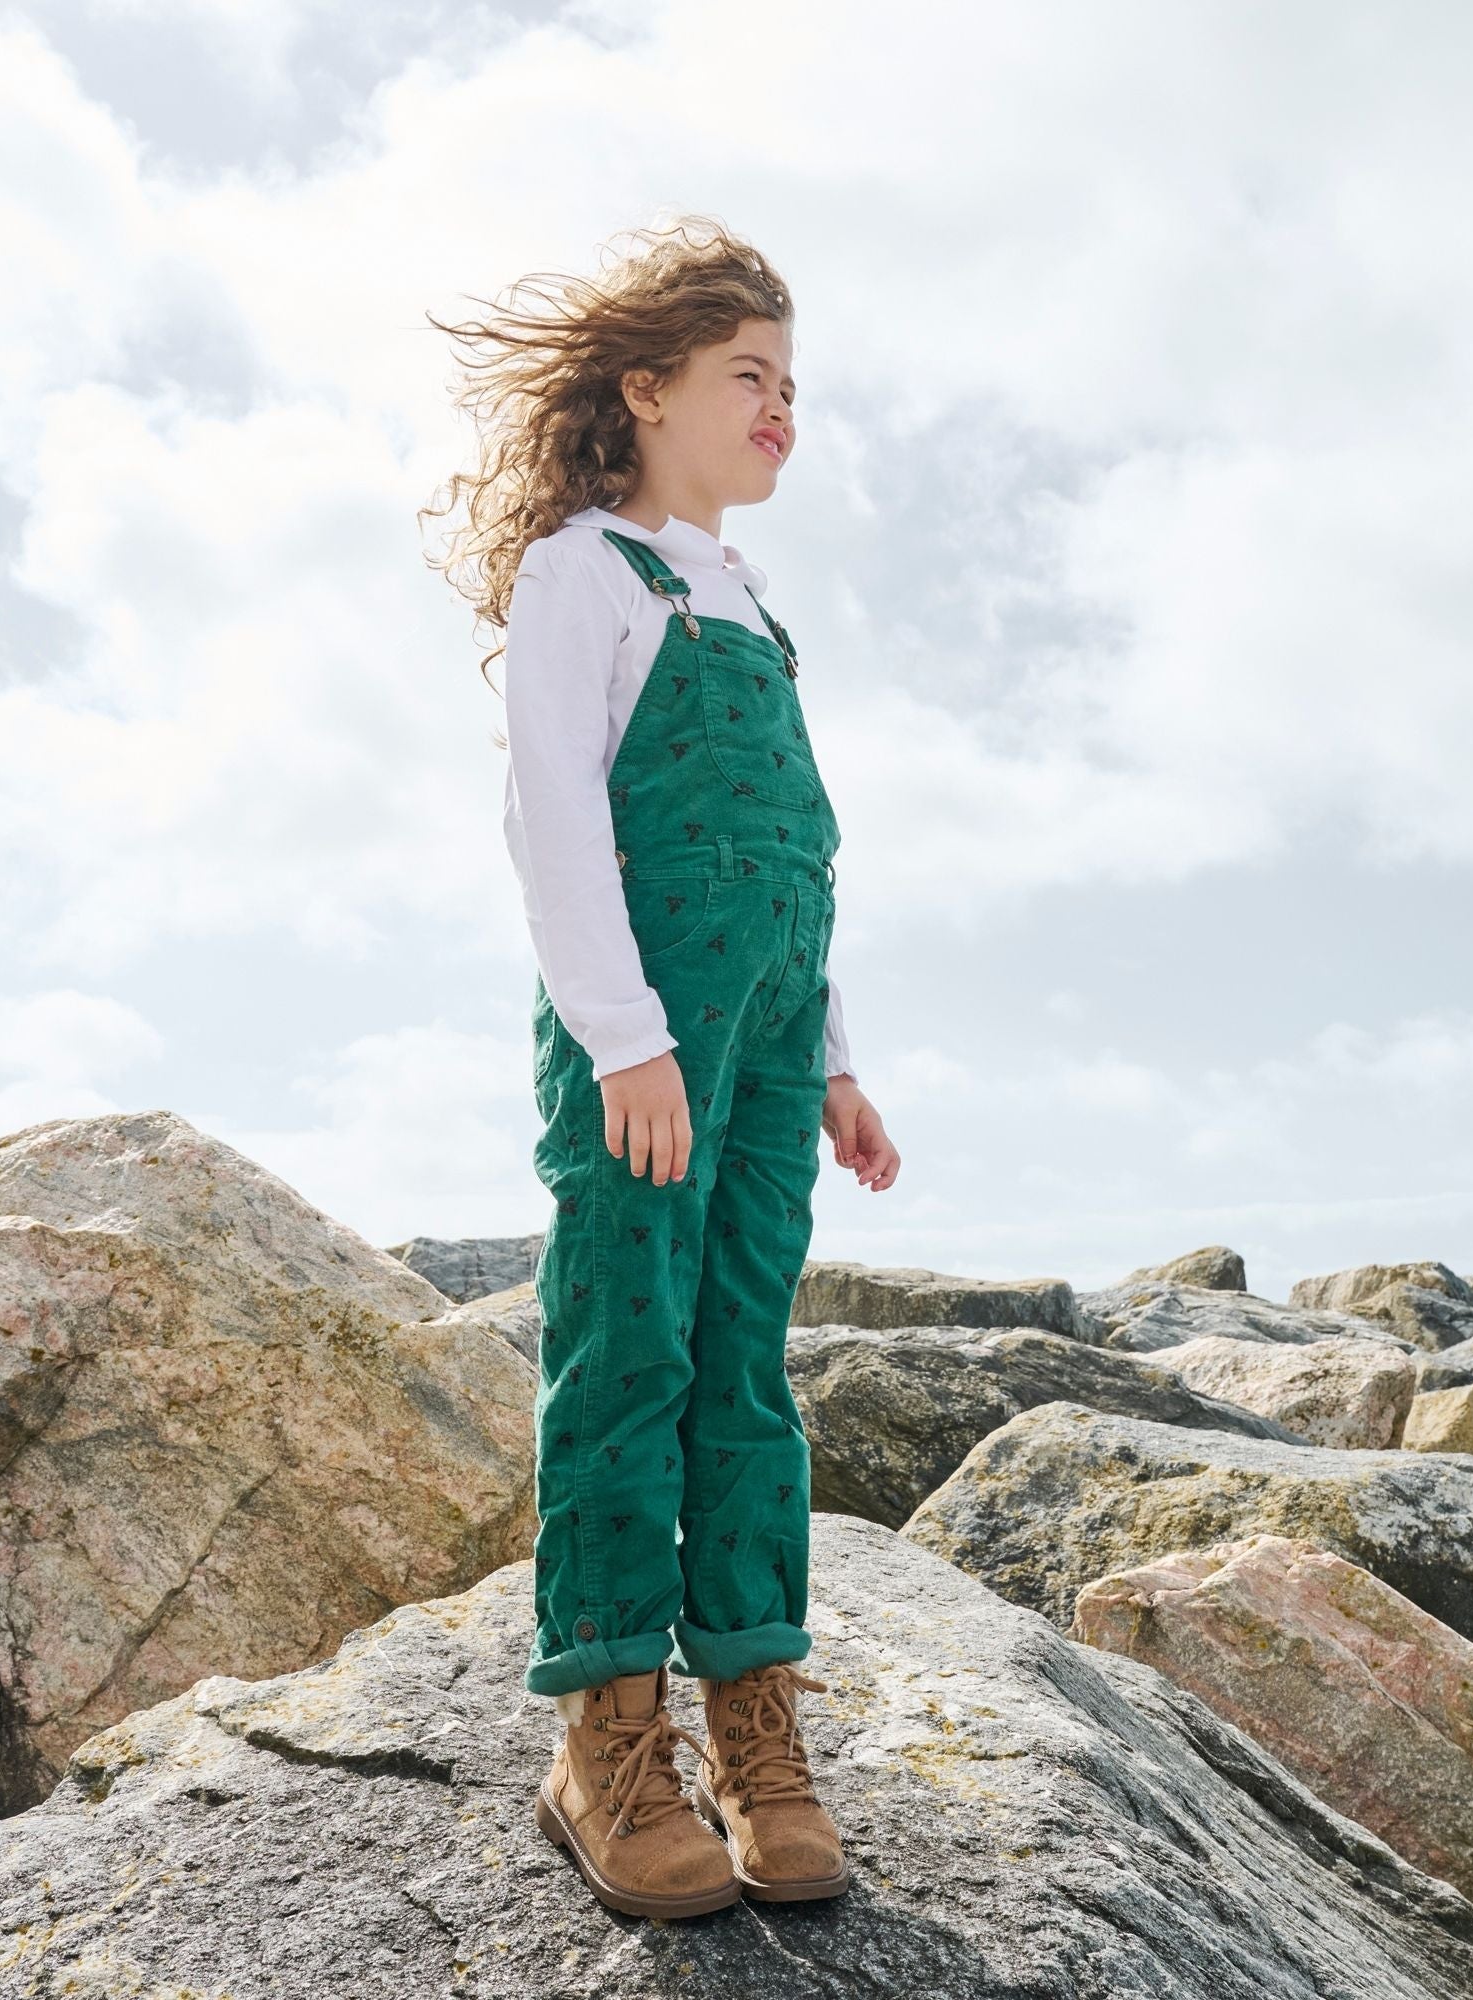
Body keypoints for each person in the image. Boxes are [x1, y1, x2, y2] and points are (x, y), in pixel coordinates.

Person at [423, 215, 901, 1919]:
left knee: (745, 1371)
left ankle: (756, 1728)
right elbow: (555, 817)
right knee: (626, 1353)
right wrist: (626, 1039)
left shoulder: (752, 601)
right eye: (748, 378)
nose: (783, 409)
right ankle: (608, 1739)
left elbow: (795, 861)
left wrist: (834, 1059)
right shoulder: (588, 573)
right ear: (647, 393)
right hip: (644, 1047)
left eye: (793, 384)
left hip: (769, 1053)